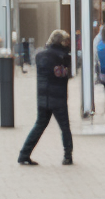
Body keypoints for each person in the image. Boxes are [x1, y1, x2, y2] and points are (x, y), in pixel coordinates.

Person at [18, 29, 74, 165]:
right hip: (58, 97)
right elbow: (67, 74)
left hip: (43, 97)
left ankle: (24, 154)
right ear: (61, 42)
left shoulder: (40, 55)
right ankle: (68, 156)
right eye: (66, 41)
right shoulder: (63, 57)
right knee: (64, 127)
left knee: (39, 125)